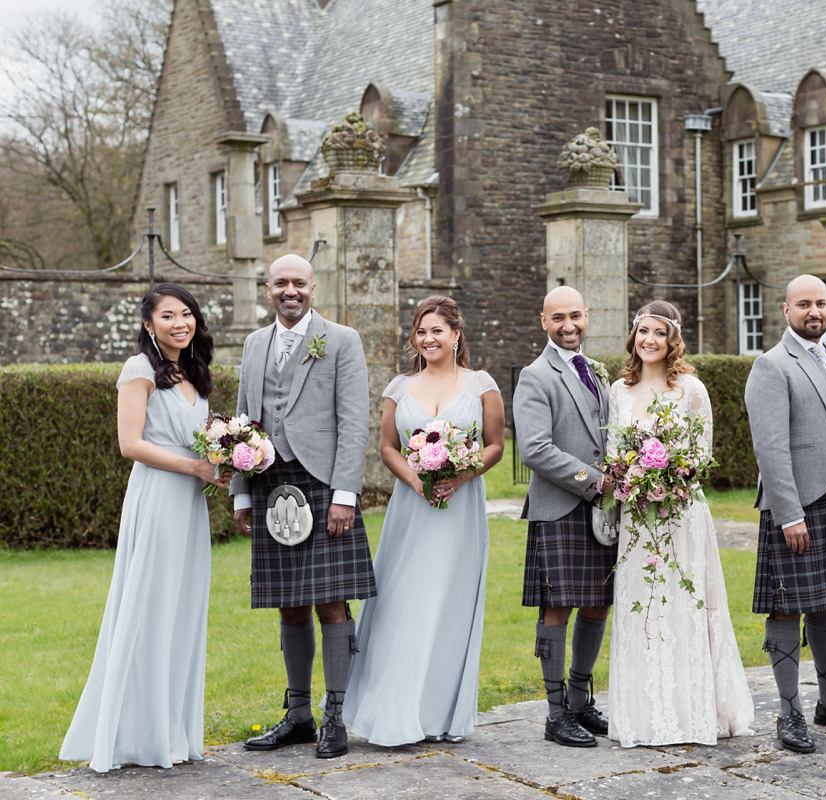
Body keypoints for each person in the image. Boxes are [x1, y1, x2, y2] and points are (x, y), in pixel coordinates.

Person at [60, 284, 228, 772]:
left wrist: (226, 457)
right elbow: (130, 444)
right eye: (169, 316)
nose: (181, 323)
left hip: (189, 507)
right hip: (157, 499)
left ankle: (171, 730)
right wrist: (194, 467)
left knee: (181, 609)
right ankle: (140, 734)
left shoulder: (193, 372)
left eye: (187, 314)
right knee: (150, 608)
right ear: (149, 324)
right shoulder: (139, 370)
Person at [340, 296, 504, 745]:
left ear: (456, 334)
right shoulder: (398, 387)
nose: (428, 339)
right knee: (400, 600)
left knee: (448, 603)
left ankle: (438, 713)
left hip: (460, 511)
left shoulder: (481, 384)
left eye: (437, 331)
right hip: (411, 510)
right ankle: (390, 707)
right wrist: (415, 480)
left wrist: (462, 474)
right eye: (421, 331)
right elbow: (388, 447)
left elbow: (494, 444)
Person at [234, 254, 376, 760]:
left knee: (330, 600)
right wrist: (239, 491)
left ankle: (334, 714)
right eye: (280, 283)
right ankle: (298, 715)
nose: (289, 291)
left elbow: (354, 421)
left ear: (313, 287)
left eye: (299, 282)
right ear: (266, 288)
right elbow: (242, 420)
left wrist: (344, 494)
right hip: (269, 484)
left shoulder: (341, 340)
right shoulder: (253, 344)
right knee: (288, 603)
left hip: (322, 484)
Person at [605, 301, 755, 747]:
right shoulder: (618, 391)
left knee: (685, 607)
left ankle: (693, 712)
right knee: (641, 607)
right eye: (643, 331)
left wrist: (670, 479)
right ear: (633, 336)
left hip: (682, 515)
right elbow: (616, 453)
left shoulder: (690, 388)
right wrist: (631, 477)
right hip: (637, 519)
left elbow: (702, 454)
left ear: (673, 341)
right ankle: (643, 715)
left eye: (659, 333)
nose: (649, 340)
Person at [743, 274, 826, 754]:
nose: (814, 311)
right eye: (804, 304)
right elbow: (771, 447)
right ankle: (789, 712)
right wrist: (788, 513)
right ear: (785, 310)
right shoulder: (771, 365)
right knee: (785, 604)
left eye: (821, 302)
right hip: (798, 504)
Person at [514, 285, 616, 748]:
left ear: (587, 316)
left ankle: (580, 700)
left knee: (599, 603)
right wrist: (595, 479)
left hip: (604, 512)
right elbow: (534, 449)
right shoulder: (536, 376)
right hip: (560, 508)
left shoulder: (596, 370)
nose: (568, 325)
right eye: (558, 318)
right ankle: (555, 714)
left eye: (575, 315)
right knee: (557, 607)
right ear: (543, 322)